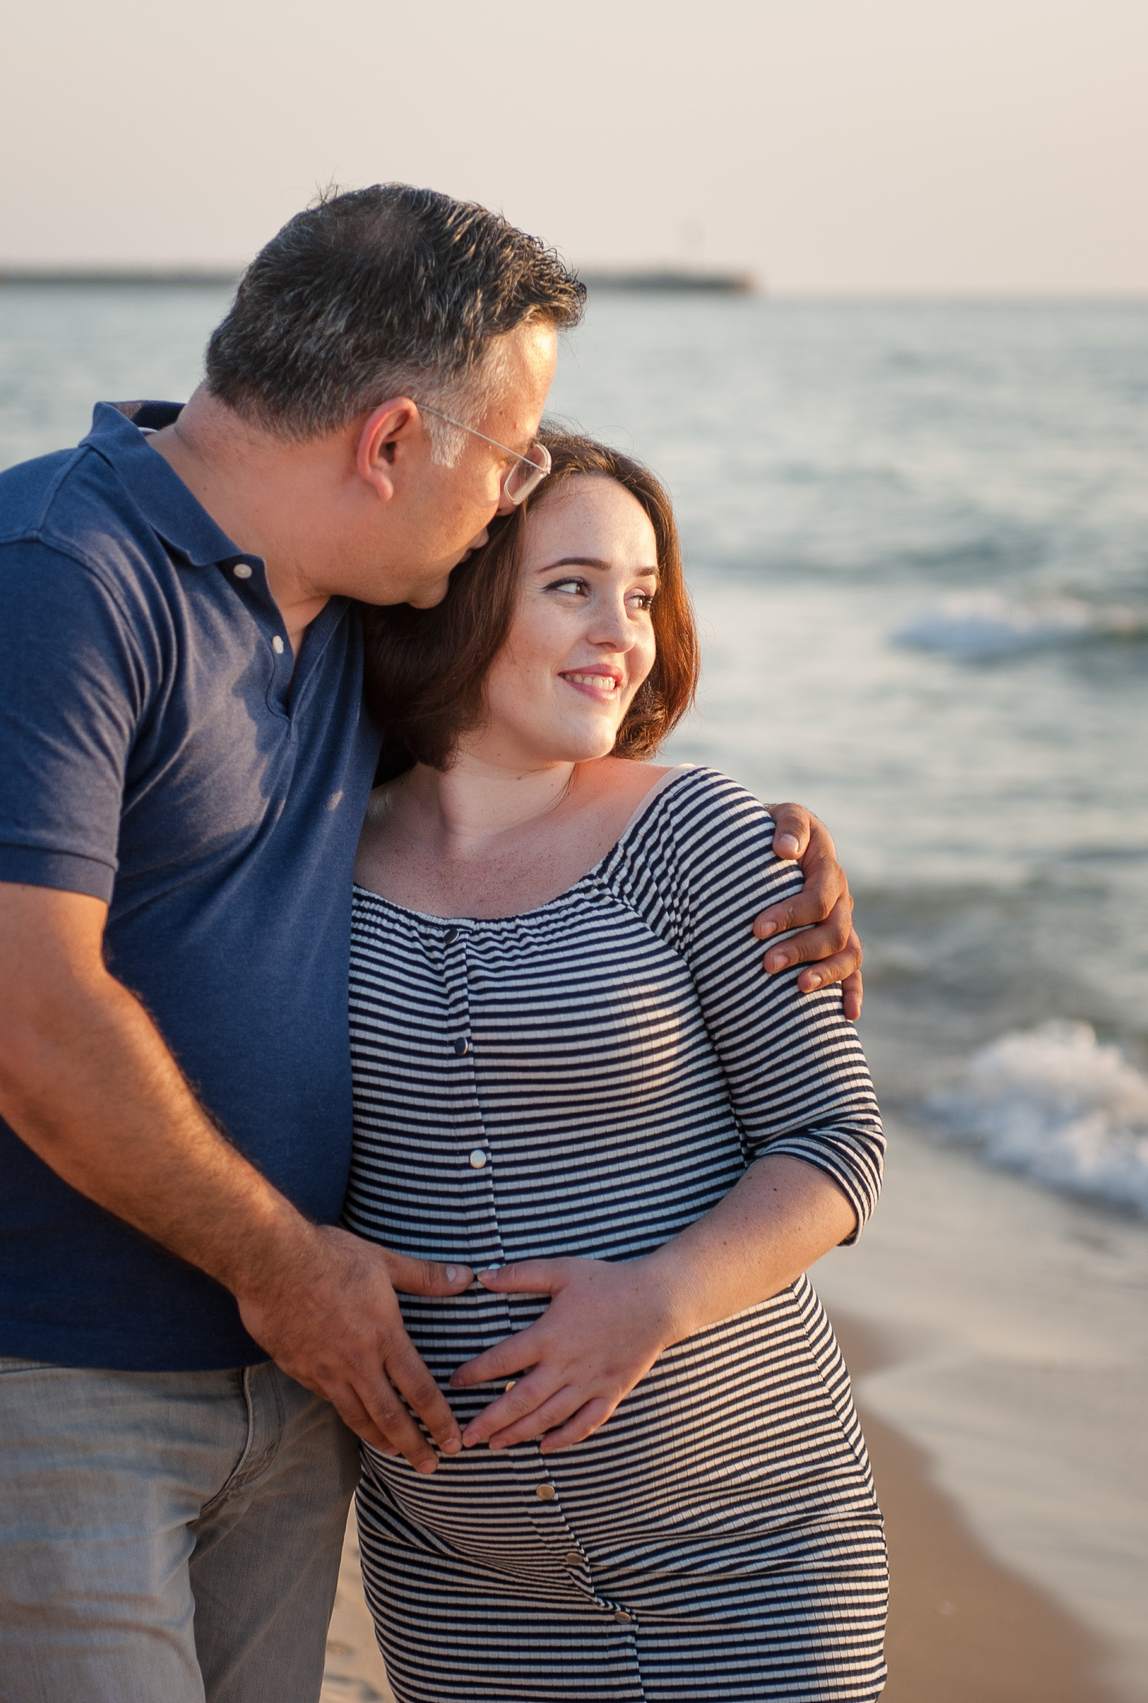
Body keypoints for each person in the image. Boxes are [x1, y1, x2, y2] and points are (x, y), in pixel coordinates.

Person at [0, 185, 864, 1703]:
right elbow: (16, 1000)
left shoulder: (349, 630)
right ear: (388, 444)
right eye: (505, 461)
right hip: (34, 1338)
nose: (509, 501)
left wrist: (787, 847)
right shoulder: (49, 573)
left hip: (304, 1373)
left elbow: (515, 789)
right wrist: (284, 1263)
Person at [347, 432, 885, 1700]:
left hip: (754, 1556)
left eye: (642, 596)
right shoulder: (307, 859)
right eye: (573, 585)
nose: (620, 633)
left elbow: (835, 1146)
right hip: (457, 1584)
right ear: (459, 592)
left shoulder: (696, 833)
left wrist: (656, 1296)